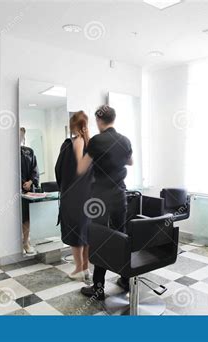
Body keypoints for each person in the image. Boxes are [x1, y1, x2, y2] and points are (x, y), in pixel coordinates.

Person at [77, 105, 133, 300]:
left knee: (99, 239)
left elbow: (82, 168)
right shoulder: (125, 140)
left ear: (99, 121)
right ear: (113, 119)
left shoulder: (96, 141)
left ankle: (98, 288)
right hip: (120, 195)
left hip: (100, 198)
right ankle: (126, 279)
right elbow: (130, 162)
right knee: (122, 236)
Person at [55, 111, 93, 283]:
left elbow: (78, 167)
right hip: (88, 195)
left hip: (74, 196)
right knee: (85, 233)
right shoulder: (90, 143)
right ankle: (85, 268)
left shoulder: (76, 141)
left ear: (73, 126)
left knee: (75, 233)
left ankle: (79, 269)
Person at [20, 127, 39, 255]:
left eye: (21, 135)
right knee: (13, 218)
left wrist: (31, 182)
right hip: (11, 192)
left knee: (26, 218)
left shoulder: (29, 151)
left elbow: (35, 170)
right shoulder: (6, 152)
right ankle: (13, 243)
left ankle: (26, 242)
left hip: (27, 191)